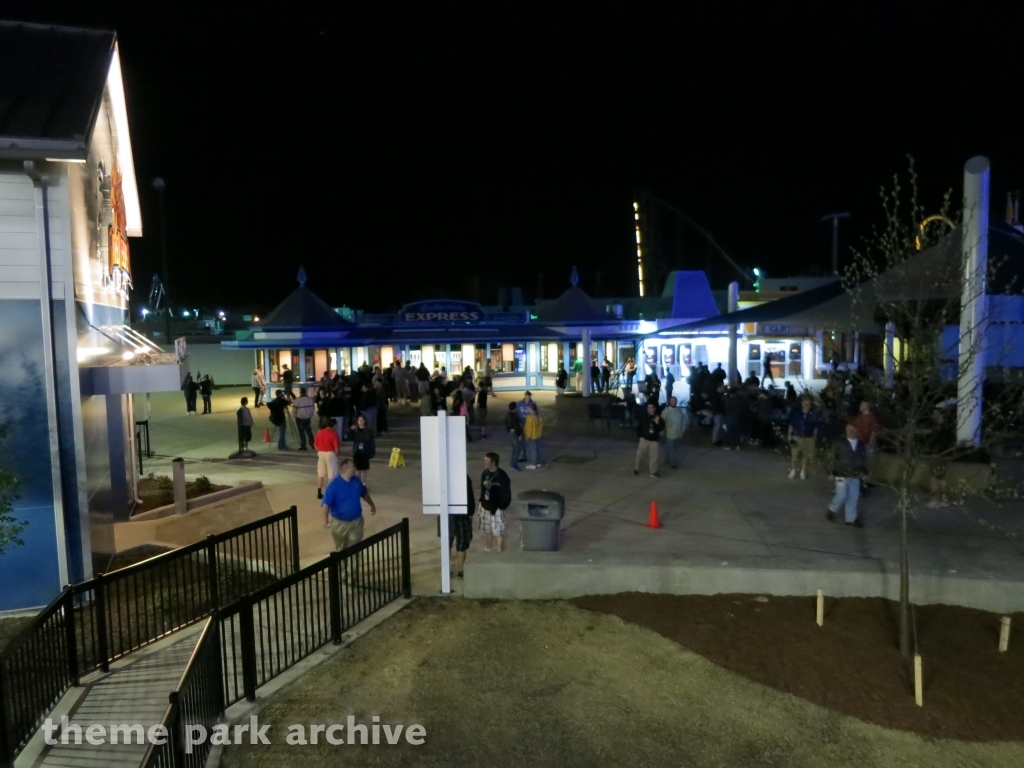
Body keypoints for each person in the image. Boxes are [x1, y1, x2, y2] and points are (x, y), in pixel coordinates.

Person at [321, 458, 377, 555]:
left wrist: (372, 505)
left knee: (355, 548)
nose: (355, 468)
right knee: (341, 548)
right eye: (353, 467)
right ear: (346, 469)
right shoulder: (333, 485)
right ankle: (342, 568)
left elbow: (364, 494)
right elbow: (326, 504)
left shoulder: (356, 481)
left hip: (356, 522)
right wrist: (325, 521)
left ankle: (352, 569)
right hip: (339, 524)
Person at [827, 423, 868, 526]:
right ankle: (832, 509)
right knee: (841, 495)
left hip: (855, 475)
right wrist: (831, 472)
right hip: (841, 474)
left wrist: (865, 472)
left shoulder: (861, 445)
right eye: (848, 429)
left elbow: (863, 460)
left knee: (853, 497)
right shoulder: (839, 442)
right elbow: (831, 458)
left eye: (853, 429)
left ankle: (851, 519)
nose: (851, 431)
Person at [479, 452, 512, 552]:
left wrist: (501, 506)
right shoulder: (485, 473)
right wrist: (482, 502)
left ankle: (499, 551)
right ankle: (487, 549)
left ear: (493, 462)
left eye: (486, 461)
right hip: (485, 507)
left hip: (497, 508)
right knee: (487, 530)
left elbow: (506, 494)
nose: (484, 462)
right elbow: (483, 489)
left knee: (498, 532)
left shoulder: (502, 476)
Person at [446, 475, 475, 578]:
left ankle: (447, 569)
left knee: (447, 542)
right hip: (462, 515)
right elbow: (470, 497)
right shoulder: (464, 477)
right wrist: (470, 513)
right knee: (462, 543)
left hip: (447, 513)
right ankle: (461, 569)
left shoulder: (444, 475)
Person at [850, 400, 881, 488]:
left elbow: (874, 431)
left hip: (867, 444)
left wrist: (870, 443)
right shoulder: (859, 418)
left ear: (866, 407)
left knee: (868, 463)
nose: (860, 406)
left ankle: (867, 481)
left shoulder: (872, 418)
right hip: (859, 444)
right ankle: (861, 480)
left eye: (862, 405)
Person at [787, 396, 819, 479]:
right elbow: (791, 425)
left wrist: (814, 438)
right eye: (806, 404)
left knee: (806, 456)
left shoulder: (813, 415)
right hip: (797, 437)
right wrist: (789, 435)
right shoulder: (796, 415)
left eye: (809, 404)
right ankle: (793, 470)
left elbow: (816, 427)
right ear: (802, 404)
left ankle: (803, 471)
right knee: (794, 455)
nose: (807, 406)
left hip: (808, 438)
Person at [634, 402, 663, 477]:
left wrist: (657, 423)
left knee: (654, 457)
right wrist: (639, 437)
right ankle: (636, 468)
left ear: (654, 408)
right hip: (644, 439)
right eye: (648, 408)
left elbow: (661, 428)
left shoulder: (658, 417)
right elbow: (639, 427)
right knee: (640, 454)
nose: (650, 409)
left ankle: (653, 472)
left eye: (651, 407)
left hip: (654, 440)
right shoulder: (643, 417)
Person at [314, 418, 341, 499]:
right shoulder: (334, 434)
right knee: (331, 474)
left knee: (321, 474)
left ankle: (319, 492)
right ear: (334, 425)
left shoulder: (320, 432)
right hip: (330, 454)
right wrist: (337, 454)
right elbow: (336, 448)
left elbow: (315, 444)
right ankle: (330, 494)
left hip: (321, 453)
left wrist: (319, 451)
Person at [349, 414, 375, 485]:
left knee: (364, 469)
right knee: (357, 469)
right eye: (359, 420)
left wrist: (371, 452)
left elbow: (371, 442)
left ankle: (363, 483)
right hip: (357, 452)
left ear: (365, 421)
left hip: (365, 452)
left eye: (362, 420)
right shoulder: (355, 430)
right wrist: (351, 430)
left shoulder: (368, 431)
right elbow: (350, 438)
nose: (360, 421)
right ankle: (358, 483)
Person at [661, 396, 684, 469]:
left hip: (678, 433)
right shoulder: (666, 411)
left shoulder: (679, 411)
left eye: (675, 400)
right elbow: (662, 423)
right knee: (671, 449)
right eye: (672, 400)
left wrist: (682, 430)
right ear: (669, 402)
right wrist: (662, 432)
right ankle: (673, 463)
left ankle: (667, 459)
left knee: (673, 448)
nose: (673, 402)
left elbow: (683, 421)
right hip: (669, 433)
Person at [523, 402, 543, 469]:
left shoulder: (529, 417)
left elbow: (529, 428)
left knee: (533, 450)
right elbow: (540, 427)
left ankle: (533, 464)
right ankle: (538, 462)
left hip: (532, 436)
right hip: (537, 435)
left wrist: (527, 436)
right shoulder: (538, 417)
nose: (528, 409)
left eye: (529, 408)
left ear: (531, 409)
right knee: (537, 449)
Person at [504, 402, 523, 471]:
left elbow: (506, 424)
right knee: (517, 450)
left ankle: (511, 465)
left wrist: (509, 430)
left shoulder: (507, 415)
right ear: (515, 408)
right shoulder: (514, 416)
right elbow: (516, 427)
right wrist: (519, 435)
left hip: (511, 433)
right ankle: (514, 465)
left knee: (513, 449)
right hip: (515, 434)